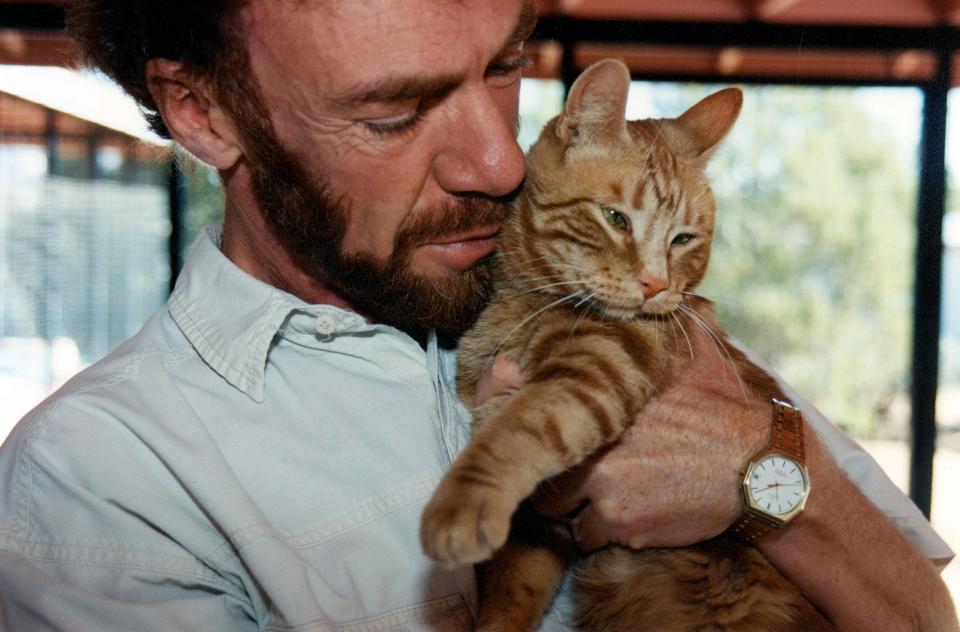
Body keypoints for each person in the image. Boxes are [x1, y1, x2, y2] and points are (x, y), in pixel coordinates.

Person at [0, 0, 955, 629]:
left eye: (504, 68)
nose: (501, 162)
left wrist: (778, 472)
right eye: (395, 112)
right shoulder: (99, 480)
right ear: (204, 113)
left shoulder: (604, 278)